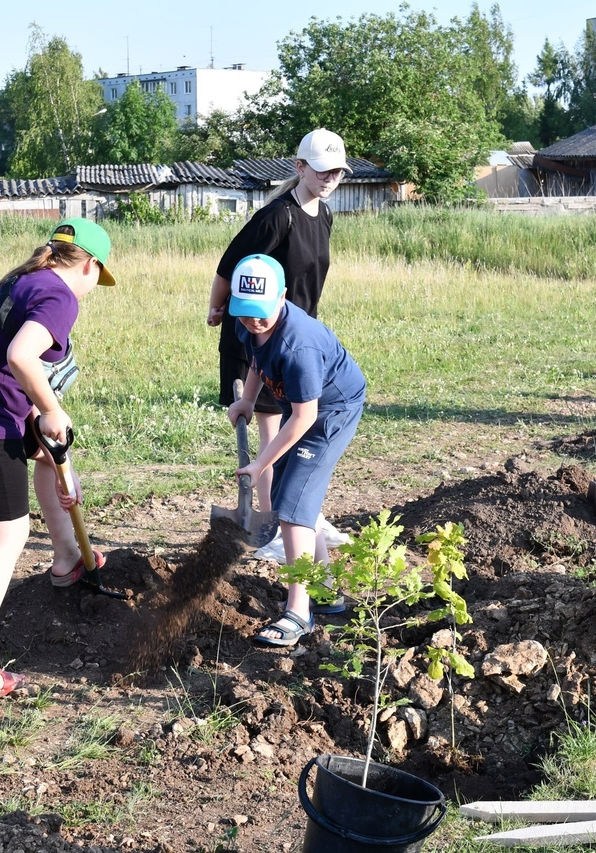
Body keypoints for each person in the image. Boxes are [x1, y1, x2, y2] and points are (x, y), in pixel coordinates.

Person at [0, 217, 116, 699]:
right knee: (7, 534)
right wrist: (52, 408)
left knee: (46, 461)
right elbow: (20, 357)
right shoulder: (60, 295)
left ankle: (68, 559)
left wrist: (48, 436)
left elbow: (11, 366)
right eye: (100, 276)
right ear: (90, 266)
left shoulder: (26, 278)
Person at [207, 129, 352, 565]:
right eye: (321, 170)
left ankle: (305, 514)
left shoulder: (322, 214)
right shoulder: (278, 216)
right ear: (300, 167)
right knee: (274, 435)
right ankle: (271, 529)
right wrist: (216, 308)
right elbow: (229, 265)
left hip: (294, 338)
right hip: (256, 337)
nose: (329, 178)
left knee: (299, 431)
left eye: (336, 172)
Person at [224, 254, 366, 648]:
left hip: (330, 412)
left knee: (289, 505)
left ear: (283, 296)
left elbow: (305, 418)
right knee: (297, 498)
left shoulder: (299, 344)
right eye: (246, 312)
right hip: (301, 407)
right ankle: (325, 594)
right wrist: (248, 401)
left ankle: (298, 612)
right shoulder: (248, 323)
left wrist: (260, 463)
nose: (254, 321)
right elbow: (256, 359)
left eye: (262, 313)